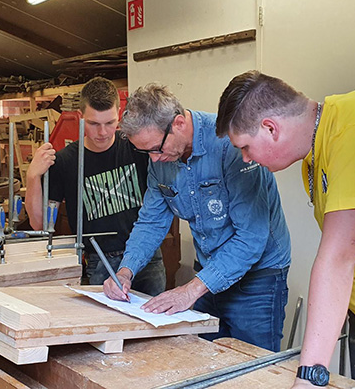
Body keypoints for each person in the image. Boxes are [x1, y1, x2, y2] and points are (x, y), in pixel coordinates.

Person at [215, 70, 355, 388]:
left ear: (270, 128)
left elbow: (338, 261)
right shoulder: (314, 157)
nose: (246, 158)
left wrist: (309, 377)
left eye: (245, 147)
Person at [103, 82, 291, 352]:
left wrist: (190, 291)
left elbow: (251, 239)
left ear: (178, 123)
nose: (153, 160)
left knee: (251, 369)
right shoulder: (160, 156)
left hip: (257, 278)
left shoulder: (231, 145)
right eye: (146, 152)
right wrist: (124, 271)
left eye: (156, 148)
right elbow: (151, 222)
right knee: (205, 361)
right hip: (209, 273)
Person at [25, 77, 166, 296]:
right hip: (100, 262)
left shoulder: (136, 148)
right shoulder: (66, 161)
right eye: (94, 124)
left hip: (146, 256)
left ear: (119, 115)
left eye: (109, 123)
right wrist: (32, 176)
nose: (102, 132)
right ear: (81, 118)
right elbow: (39, 223)